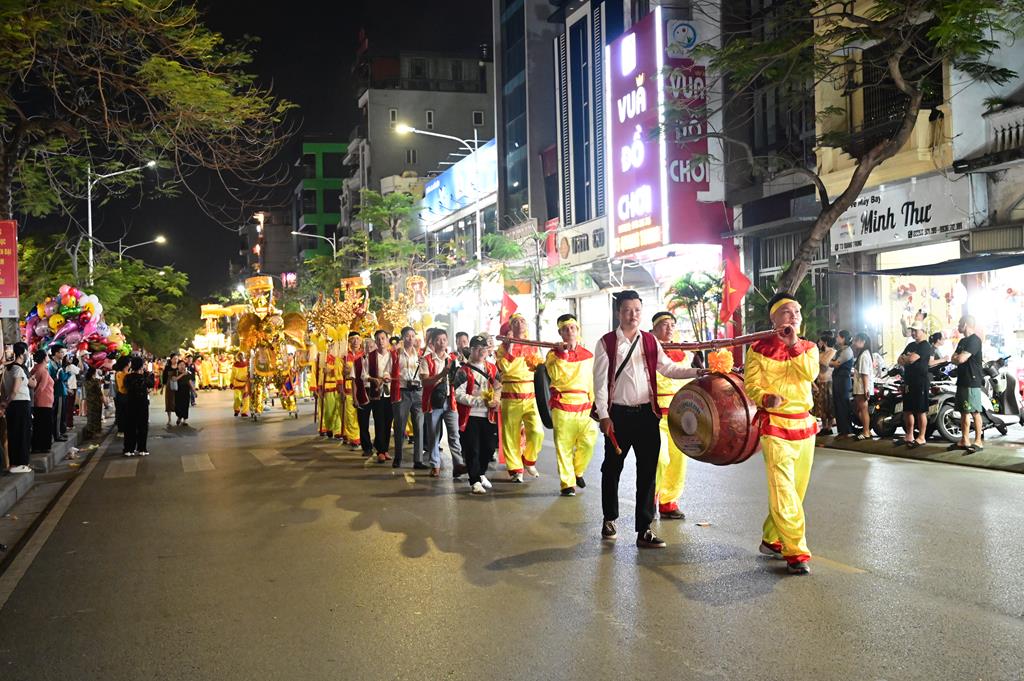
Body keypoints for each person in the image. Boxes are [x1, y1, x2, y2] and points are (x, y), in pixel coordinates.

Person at [593, 291, 702, 549]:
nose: (633, 315)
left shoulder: (651, 342)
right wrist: (605, 416)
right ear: (619, 313)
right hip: (617, 416)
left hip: (647, 415)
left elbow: (668, 368)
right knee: (611, 469)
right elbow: (599, 383)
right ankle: (610, 518)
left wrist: (698, 371)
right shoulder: (606, 343)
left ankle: (644, 529)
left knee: (648, 472)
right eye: (627, 310)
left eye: (637, 311)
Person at [744, 291, 819, 575]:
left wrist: (793, 345)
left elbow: (809, 374)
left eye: (797, 311)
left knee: (795, 491)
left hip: (804, 426)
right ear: (773, 317)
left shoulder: (809, 348)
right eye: (787, 311)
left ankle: (772, 537)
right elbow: (751, 385)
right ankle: (796, 551)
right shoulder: (758, 349)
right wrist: (765, 398)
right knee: (784, 490)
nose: (794, 316)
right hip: (775, 426)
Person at [543, 314, 597, 497]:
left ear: (577, 330)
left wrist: (595, 402)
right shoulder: (552, 355)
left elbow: (592, 380)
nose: (570, 331)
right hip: (563, 404)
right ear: (560, 333)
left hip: (585, 405)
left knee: (589, 441)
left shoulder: (588, 355)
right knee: (564, 445)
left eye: (572, 328)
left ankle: (577, 470)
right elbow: (556, 376)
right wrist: (562, 355)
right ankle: (567, 483)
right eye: (565, 329)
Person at [649, 311, 691, 518]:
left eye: (672, 324)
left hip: (680, 416)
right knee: (660, 459)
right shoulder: (647, 351)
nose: (669, 328)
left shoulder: (686, 353)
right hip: (656, 416)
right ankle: (651, 497)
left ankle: (669, 502)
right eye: (664, 324)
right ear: (655, 329)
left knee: (678, 461)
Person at [495, 314, 545, 482]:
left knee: (537, 431)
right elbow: (504, 369)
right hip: (510, 395)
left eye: (522, 320)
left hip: (530, 395)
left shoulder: (533, 346)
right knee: (511, 434)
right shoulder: (502, 347)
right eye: (515, 322)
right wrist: (509, 348)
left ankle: (529, 459)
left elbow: (539, 368)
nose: (520, 324)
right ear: (511, 327)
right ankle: (516, 469)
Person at [455, 335, 499, 494]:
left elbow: (498, 387)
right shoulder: (463, 371)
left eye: (484, 348)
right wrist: (480, 401)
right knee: (472, 448)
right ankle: (474, 480)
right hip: (471, 415)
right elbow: (458, 395)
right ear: (471, 350)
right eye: (477, 348)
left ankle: (481, 473)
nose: (481, 351)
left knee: (489, 448)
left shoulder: (492, 369)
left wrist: (496, 400)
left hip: (489, 416)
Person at [420, 328, 467, 478]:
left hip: (450, 401)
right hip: (433, 403)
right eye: (438, 340)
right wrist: (442, 374)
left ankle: (458, 464)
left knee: (454, 434)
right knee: (434, 434)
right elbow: (425, 381)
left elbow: (461, 378)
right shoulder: (426, 359)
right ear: (433, 342)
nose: (442, 343)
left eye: (444, 340)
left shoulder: (453, 359)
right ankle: (435, 464)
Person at [389, 327, 426, 469]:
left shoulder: (421, 354)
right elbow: (388, 371)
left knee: (418, 426)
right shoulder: (395, 354)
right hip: (402, 391)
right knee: (400, 426)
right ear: (402, 338)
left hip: (418, 392)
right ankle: (398, 456)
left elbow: (425, 372)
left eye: (412, 336)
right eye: (407, 336)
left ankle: (418, 460)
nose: (410, 339)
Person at [356, 330, 394, 463]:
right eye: (378, 339)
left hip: (390, 392)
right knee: (379, 421)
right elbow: (363, 375)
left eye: (383, 338)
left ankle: (385, 449)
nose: (381, 341)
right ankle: (380, 450)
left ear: (387, 340)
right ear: (375, 341)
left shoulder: (392, 356)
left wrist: (390, 378)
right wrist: (373, 379)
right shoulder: (370, 357)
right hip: (377, 393)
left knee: (388, 421)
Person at [951, 315, 985, 453]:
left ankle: (978, 441)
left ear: (965, 324)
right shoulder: (962, 341)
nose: (958, 325)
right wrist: (957, 358)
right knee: (964, 412)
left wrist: (957, 358)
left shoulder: (974, 340)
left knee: (975, 412)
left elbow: (961, 358)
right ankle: (964, 440)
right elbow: (954, 358)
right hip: (962, 380)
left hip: (972, 380)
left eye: (960, 323)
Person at [1, 342, 35, 473]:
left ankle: (14, 463)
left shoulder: (7, 370)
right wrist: (8, 401)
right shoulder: (18, 370)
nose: (26, 355)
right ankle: (22, 463)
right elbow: (15, 390)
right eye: (26, 352)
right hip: (21, 404)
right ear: (21, 353)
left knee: (13, 433)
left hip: (12, 407)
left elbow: (3, 389)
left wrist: (5, 403)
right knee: (23, 433)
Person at [897, 321, 932, 447]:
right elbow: (900, 360)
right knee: (907, 410)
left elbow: (910, 359)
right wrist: (908, 358)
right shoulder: (911, 345)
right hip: (908, 381)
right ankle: (909, 435)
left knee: (920, 410)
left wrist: (908, 358)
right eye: (912, 330)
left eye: (915, 331)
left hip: (920, 382)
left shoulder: (925, 346)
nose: (913, 333)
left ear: (923, 331)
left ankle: (921, 437)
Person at [122, 356, 154, 457]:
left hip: (130, 404)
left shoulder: (127, 377)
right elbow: (151, 384)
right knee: (142, 426)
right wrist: (146, 374)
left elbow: (126, 388)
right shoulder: (144, 377)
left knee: (130, 426)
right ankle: (142, 449)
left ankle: (129, 449)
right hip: (142, 404)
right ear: (141, 366)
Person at [830, 330, 854, 437]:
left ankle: (847, 430)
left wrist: (828, 362)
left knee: (843, 405)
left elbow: (836, 364)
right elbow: (833, 362)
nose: (836, 338)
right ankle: (841, 430)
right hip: (838, 380)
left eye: (838, 337)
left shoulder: (847, 351)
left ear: (843, 338)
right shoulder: (840, 350)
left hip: (843, 380)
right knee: (838, 405)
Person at [30, 349, 55, 453]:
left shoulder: (34, 369)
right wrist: (36, 399)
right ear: (44, 358)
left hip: (38, 402)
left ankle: (37, 446)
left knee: (38, 425)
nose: (48, 357)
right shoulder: (43, 371)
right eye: (47, 356)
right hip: (44, 402)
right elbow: (41, 388)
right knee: (45, 426)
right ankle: (43, 446)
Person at [812, 332, 836, 436]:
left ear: (825, 342)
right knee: (821, 406)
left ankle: (829, 426)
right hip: (820, 381)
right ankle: (824, 426)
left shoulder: (832, 351)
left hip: (829, 381)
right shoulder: (820, 352)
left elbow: (825, 362)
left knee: (829, 405)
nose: (818, 343)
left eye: (821, 341)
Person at [851, 332, 874, 440]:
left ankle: (866, 432)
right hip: (861, 386)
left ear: (863, 342)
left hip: (861, 387)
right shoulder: (865, 353)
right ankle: (867, 430)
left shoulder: (864, 355)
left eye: (857, 340)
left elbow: (865, 373)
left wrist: (866, 389)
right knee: (861, 409)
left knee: (863, 410)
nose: (855, 343)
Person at [50, 345, 69, 441]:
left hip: (61, 391)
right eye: (61, 352)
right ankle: (57, 434)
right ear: (56, 353)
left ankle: (60, 432)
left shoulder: (58, 363)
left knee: (61, 414)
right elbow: (62, 378)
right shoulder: (53, 364)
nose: (63, 354)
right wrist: (69, 373)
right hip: (58, 392)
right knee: (58, 414)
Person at [82, 366, 106, 439]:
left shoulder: (85, 381)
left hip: (89, 401)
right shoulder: (95, 381)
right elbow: (100, 393)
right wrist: (105, 402)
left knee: (90, 417)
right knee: (96, 417)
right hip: (96, 401)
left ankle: (90, 432)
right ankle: (96, 433)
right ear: (94, 373)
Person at [62, 354, 80, 432]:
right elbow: (81, 370)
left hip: (67, 388)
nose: (71, 359)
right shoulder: (71, 367)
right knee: (70, 407)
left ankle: (67, 423)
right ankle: (69, 424)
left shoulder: (64, 367)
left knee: (67, 406)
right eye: (70, 358)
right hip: (71, 388)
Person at [173, 355, 192, 426]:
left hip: (186, 391)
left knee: (185, 405)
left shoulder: (187, 373)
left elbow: (189, 382)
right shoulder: (176, 372)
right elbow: (174, 379)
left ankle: (184, 420)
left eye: (183, 365)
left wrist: (194, 391)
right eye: (180, 365)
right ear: (178, 366)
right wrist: (182, 374)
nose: (182, 366)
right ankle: (179, 417)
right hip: (178, 392)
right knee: (178, 406)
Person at [162, 354, 180, 426]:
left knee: (178, 402)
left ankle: (179, 417)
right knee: (169, 402)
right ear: (171, 359)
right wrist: (162, 388)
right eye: (174, 358)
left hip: (178, 387)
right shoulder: (167, 368)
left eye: (177, 359)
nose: (176, 360)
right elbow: (164, 378)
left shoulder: (179, 367)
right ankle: (169, 419)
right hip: (169, 387)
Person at [231, 352, 251, 417]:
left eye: (241, 355)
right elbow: (232, 375)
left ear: (243, 356)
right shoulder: (235, 365)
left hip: (245, 383)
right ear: (237, 357)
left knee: (246, 398)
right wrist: (231, 382)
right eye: (239, 356)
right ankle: (236, 409)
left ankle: (244, 412)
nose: (240, 357)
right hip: (237, 383)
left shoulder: (247, 364)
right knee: (237, 398)